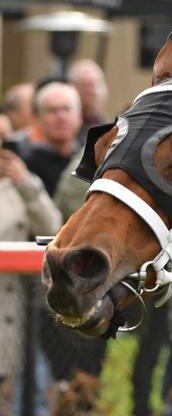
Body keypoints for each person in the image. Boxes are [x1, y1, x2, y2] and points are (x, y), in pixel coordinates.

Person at [0, 110, 62, 415]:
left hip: (15, 318)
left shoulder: (23, 186)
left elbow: (53, 228)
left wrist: (26, 185)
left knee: (28, 397)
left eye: (6, 140)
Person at [21, 81, 82, 196]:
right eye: (52, 110)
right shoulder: (27, 166)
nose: (61, 117)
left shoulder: (89, 159)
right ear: (38, 119)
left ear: (79, 116)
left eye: (66, 109)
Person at [67, 59, 109, 140]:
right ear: (72, 87)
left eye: (97, 85)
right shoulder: (65, 129)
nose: (94, 92)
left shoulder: (107, 128)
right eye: (87, 86)